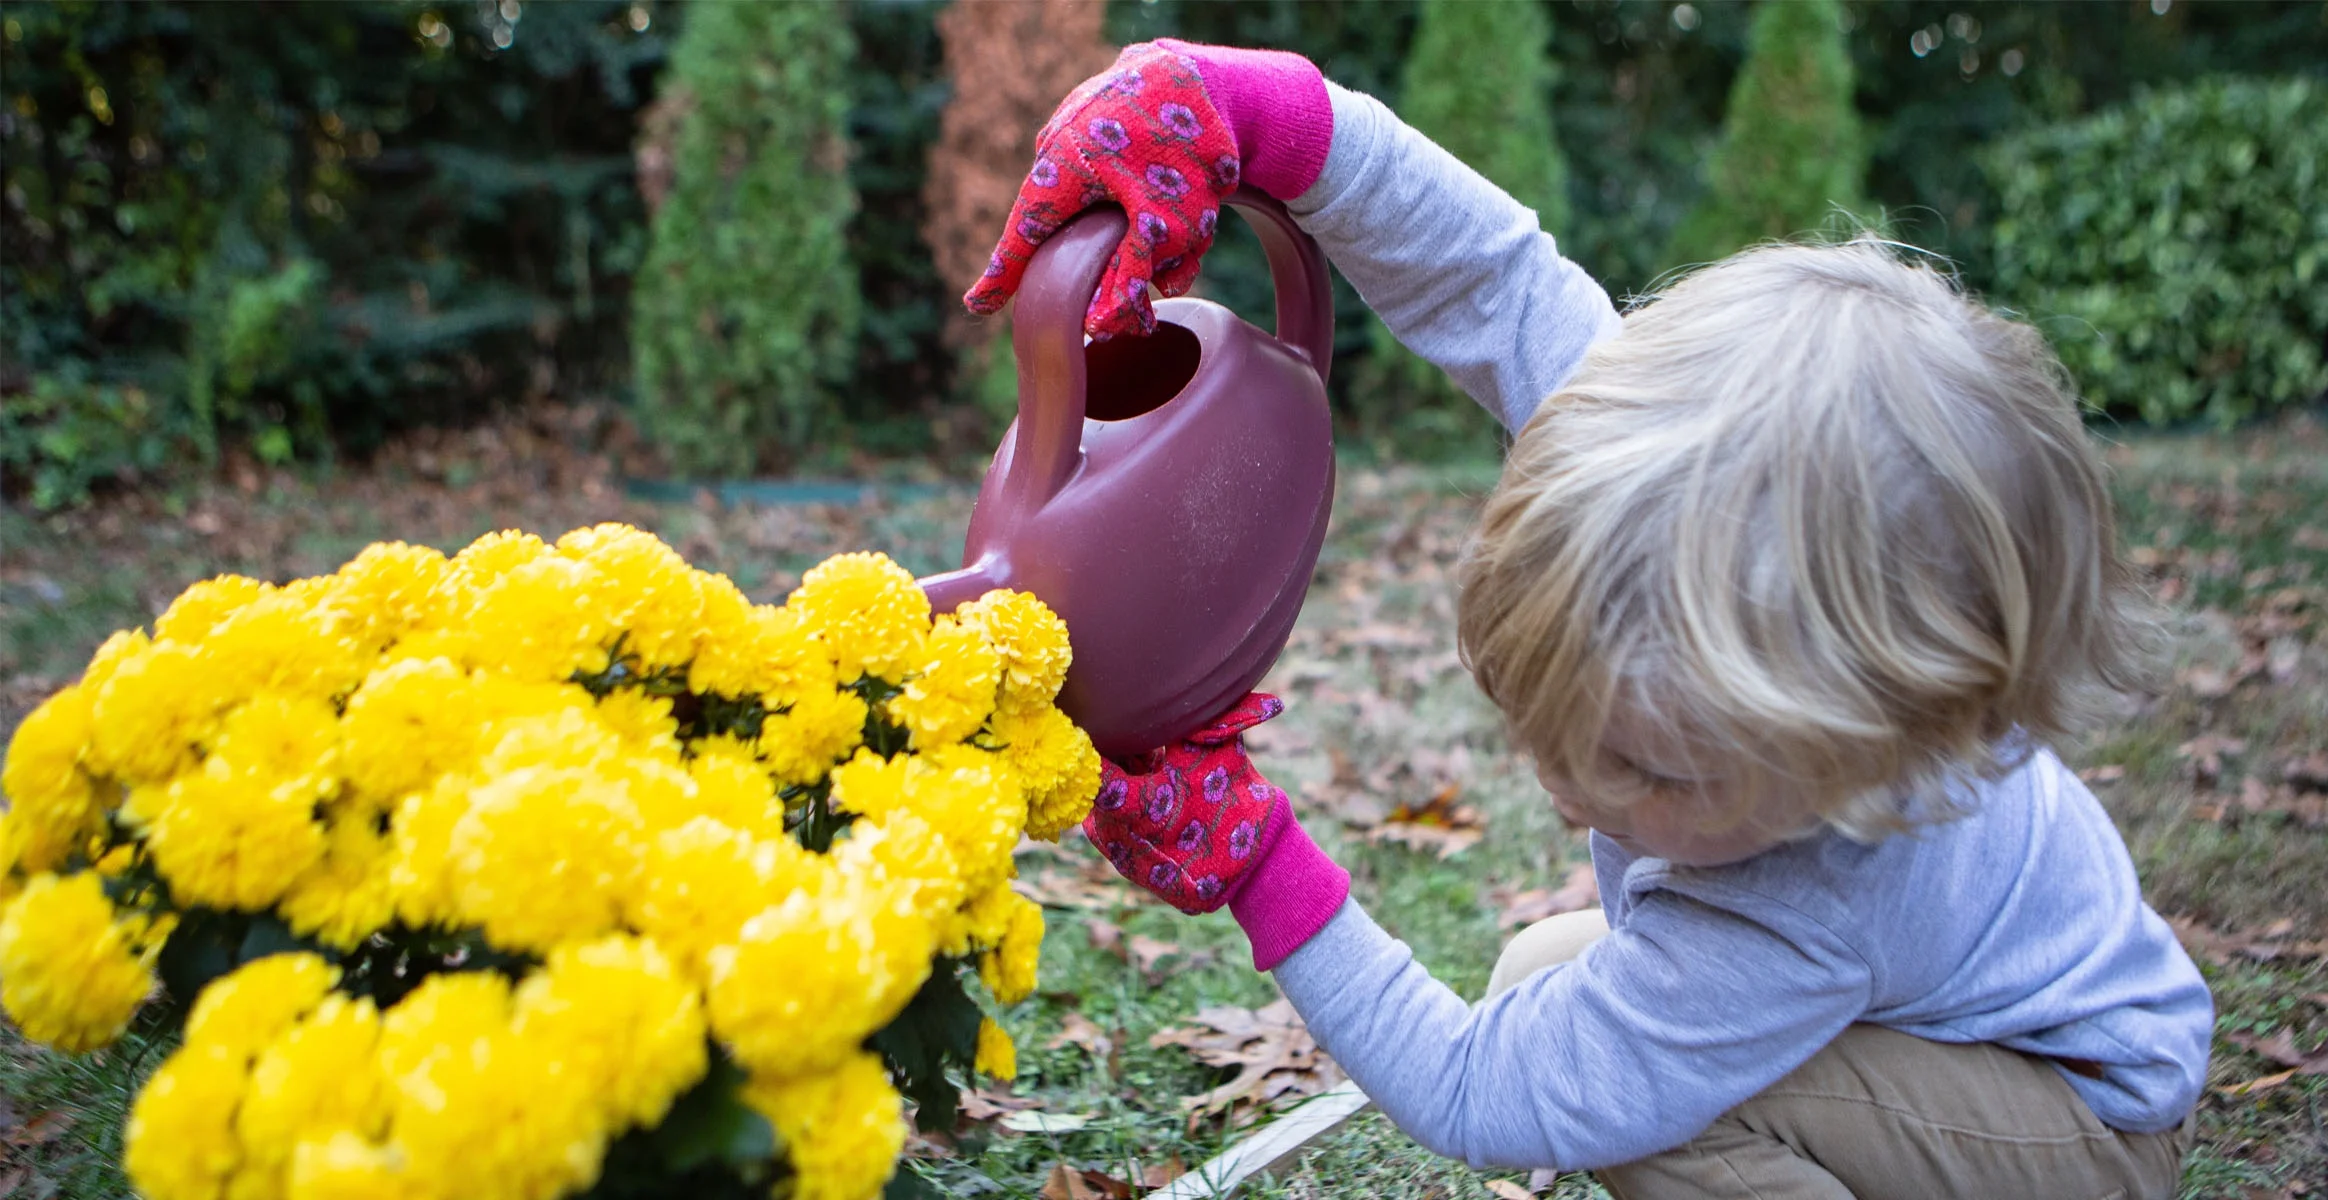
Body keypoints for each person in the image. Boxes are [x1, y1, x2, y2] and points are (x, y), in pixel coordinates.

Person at [964, 41, 2211, 1200]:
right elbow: (1491, 275)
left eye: (1642, 768)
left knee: (1655, 1121)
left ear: (1867, 754)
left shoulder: (1804, 906)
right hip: (1943, 1015)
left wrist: (1257, 863)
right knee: (1536, 982)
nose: (1567, 793)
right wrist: (1243, 110)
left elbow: (1476, 1093)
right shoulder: (1643, 473)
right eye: (1549, 726)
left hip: (2084, 1120)